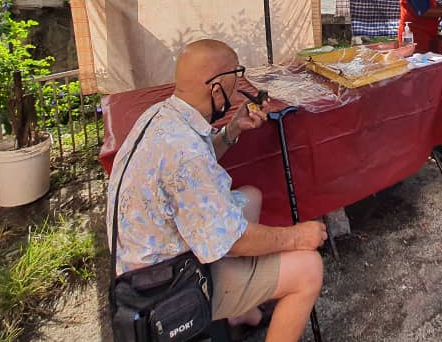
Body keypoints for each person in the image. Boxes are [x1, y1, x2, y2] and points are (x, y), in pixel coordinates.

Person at [107, 39, 327, 342]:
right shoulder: (185, 153)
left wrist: (231, 131)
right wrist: (299, 236)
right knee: (308, 268)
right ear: (215, 89)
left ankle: (239, 313)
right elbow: (232, 240)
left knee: (250, 196)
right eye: (235, 83)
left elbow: (192, 169)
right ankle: (230, 302)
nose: (237, 93)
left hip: (142, 262)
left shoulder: (160, 115)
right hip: (164, 285)